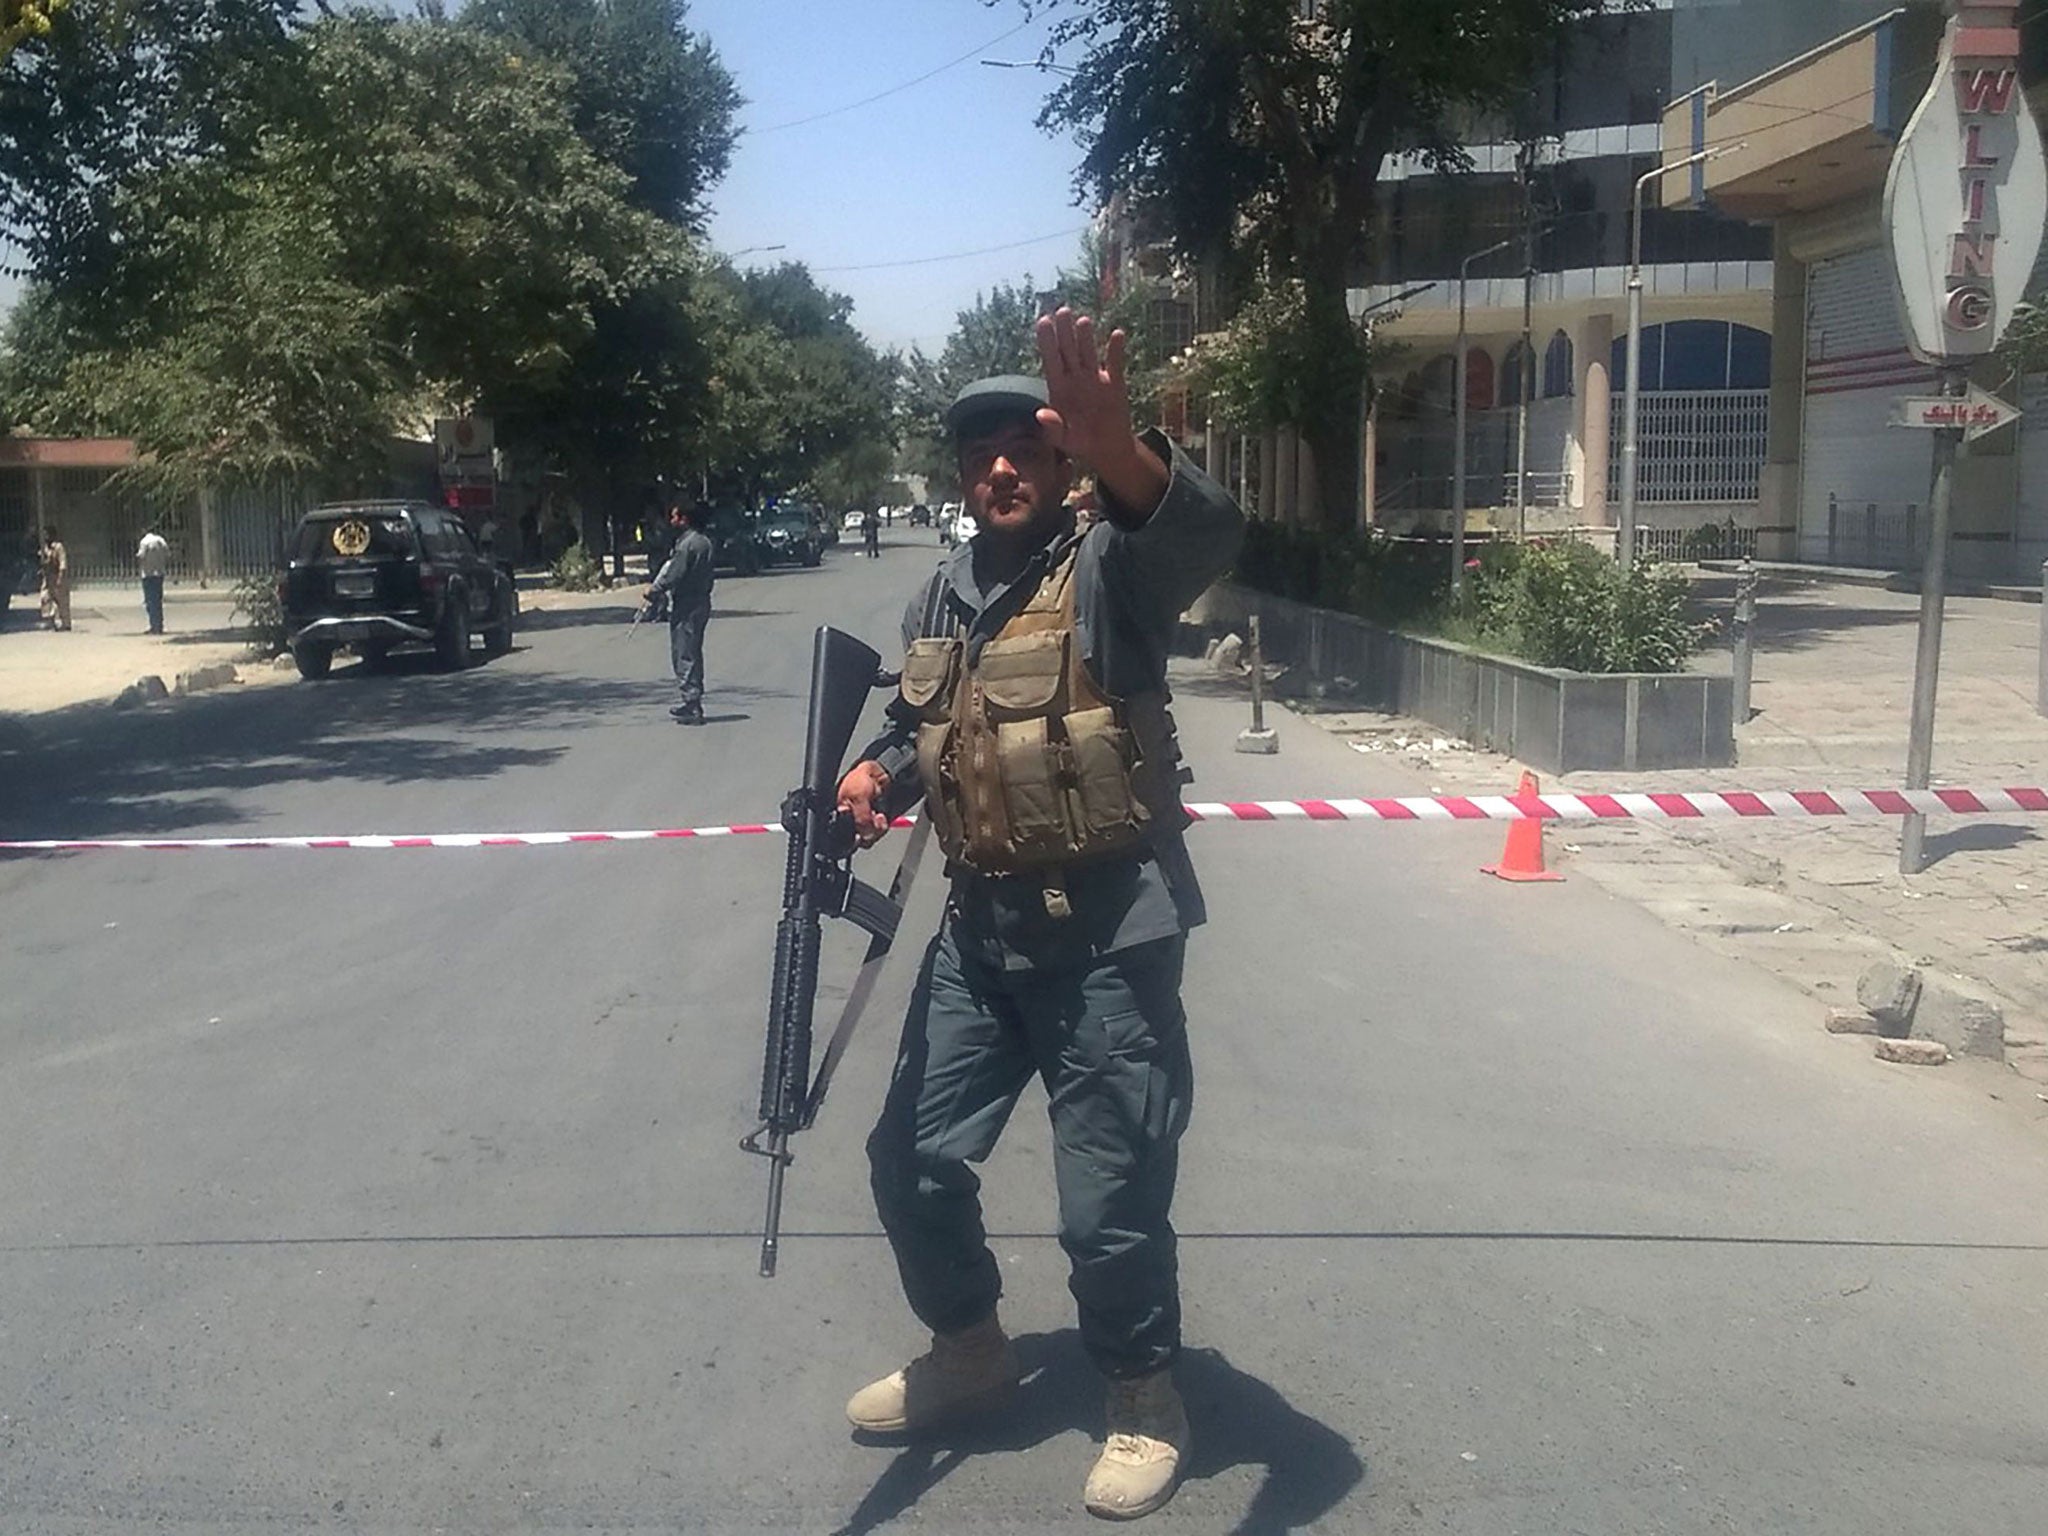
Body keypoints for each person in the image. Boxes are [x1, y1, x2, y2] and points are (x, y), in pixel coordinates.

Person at [835, 308, 1245, 1520]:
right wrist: (875, 774)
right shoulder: (941, 592)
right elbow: (933, 725)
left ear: (1064, 465)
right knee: (908, 1162)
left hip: (1107, 940)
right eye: (979, 451)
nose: (999, 466)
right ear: (959, 474)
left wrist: (1129, 449)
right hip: (980, 934)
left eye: (1027, 446)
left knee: (1106, 1204)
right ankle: (971, 1351)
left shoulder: (1111, 569)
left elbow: (1202, 534)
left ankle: (1139, 1393)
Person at [645, 501, 713, 725]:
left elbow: (674, 574)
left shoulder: (686, 546)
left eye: (675, 517)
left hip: (687, 604)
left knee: (684, 652)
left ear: (684, 519)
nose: (672, 521)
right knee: (693, 650)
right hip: (701, 601)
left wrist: (654, 590)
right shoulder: (704, 542)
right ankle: (692, 699)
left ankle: (692, 702)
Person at [135, 524, 172, 634]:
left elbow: (141, 556)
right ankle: (159, 625)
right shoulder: (160, 540)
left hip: (148, 574)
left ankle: (154, 625)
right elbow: (168, 554)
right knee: (158, 600)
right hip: (159, 573)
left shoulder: (144, 542)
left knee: (150, 601)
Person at [38, 525, 71, 631]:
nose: (45, 536)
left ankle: (65, 624)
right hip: (47, 577)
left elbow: (62, 563)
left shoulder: (58, 547)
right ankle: (50, 621)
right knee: (45, 598)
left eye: (47, 534)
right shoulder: (44, 548)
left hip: (56, 576)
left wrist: (60, 578)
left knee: (61, 601)